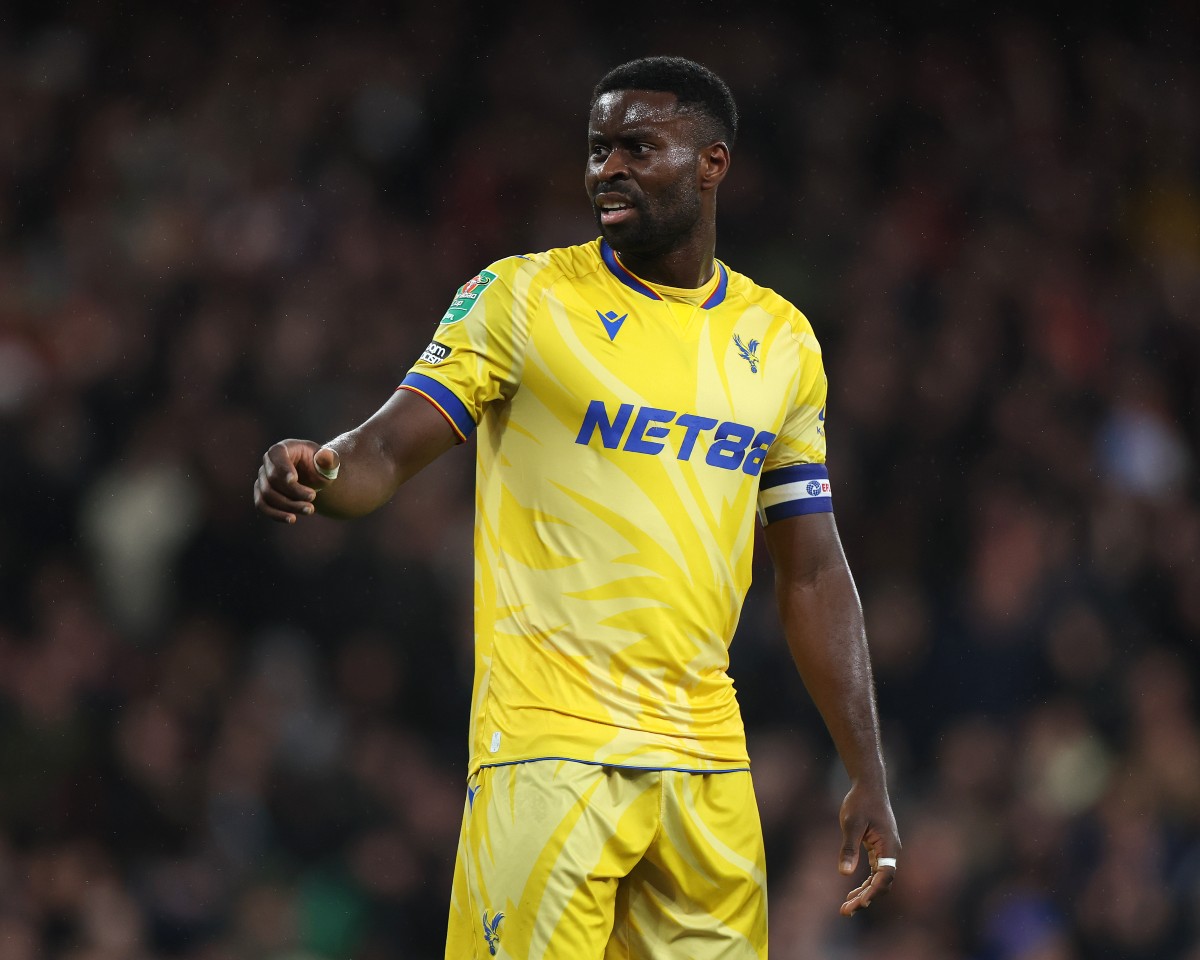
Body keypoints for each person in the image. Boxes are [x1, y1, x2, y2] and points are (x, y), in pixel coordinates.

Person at [255, 55, 899, 960]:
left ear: (713, 163)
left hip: (707, 771)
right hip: (548, 756)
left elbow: (815, 569)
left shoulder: (782, 342)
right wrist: (315, 471)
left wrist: (865, 770)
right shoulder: (521, 299)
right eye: (598, 150)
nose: (607, 169)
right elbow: (383, 453)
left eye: (638, 147)